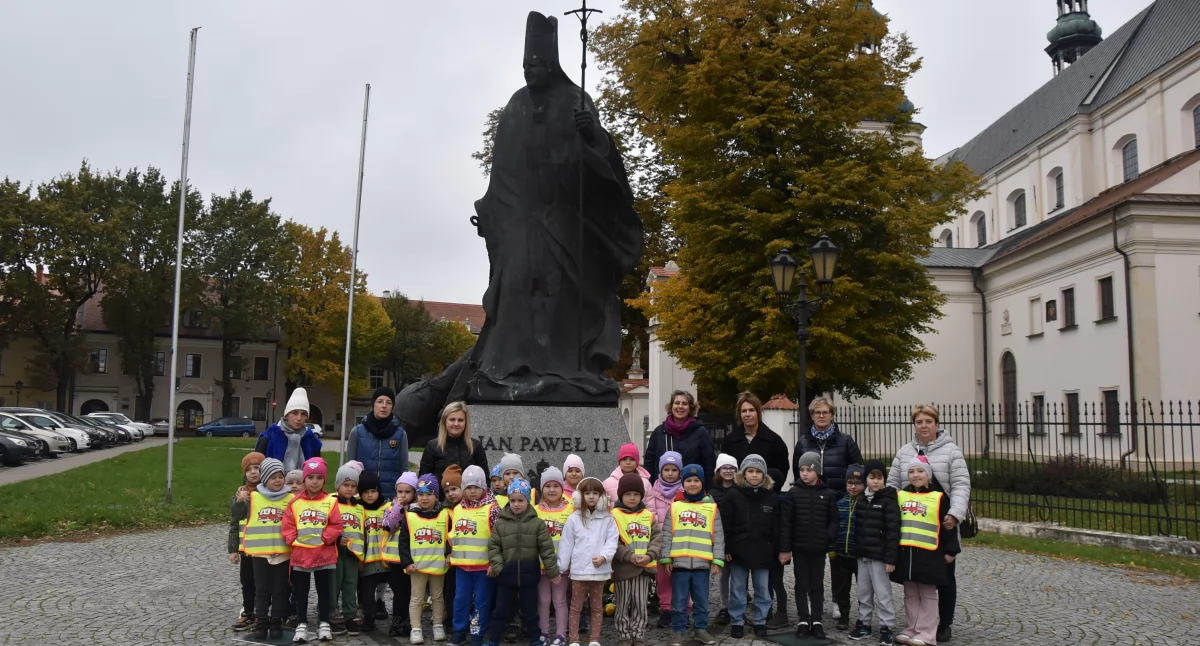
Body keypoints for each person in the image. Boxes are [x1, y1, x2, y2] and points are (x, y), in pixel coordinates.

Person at [887, 404, 971, 644]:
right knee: (912, 579)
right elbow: (893, 482)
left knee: (944, 576)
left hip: (941, 523)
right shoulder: (904, 452)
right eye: (919, 422)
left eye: (928, 421)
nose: (923, 426)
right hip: (911, 526)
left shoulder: (951, 451)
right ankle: (915, 625)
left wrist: (954, 514)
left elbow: (962, 484)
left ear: (936, 423)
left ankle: (943, 624)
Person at [891, 460, 960, 646]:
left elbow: (948, 526)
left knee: (928, 594)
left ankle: (927, 632)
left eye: (920, 471)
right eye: (911, 471)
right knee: (910, 593)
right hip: (906, 553)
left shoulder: (939, 497)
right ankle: (911, 628)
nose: (915, 475)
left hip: (929, 554)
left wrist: (951, 550)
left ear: (928, 474)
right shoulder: (901, 495)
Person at [488, 478, 561, 646]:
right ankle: (493, 640)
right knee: (500, 610)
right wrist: (499, 566)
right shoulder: (501, 523)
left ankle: (535, 639)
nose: (516, 504)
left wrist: (552, 571)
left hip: (529, 576)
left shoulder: (537, 524)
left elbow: (546, 549)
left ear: (527, 501)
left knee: (530, 611)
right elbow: (494, 546)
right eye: (512, 500)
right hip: (506, 576)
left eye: (520, 500)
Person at [281, 457, 344, 643]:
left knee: (324, 591)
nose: (314, 482)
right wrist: (292, 539)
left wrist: (326, 538)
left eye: (318, 478)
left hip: (323, 555)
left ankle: (324, 622)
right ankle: (302, 623)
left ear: (324, 480)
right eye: (310, 478)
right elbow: (288, 524)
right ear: (304, 480)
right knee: (301, 591)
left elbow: (336, 524)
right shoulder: (295, 503)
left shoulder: (331, 502)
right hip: (301, 556)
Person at [659, 464, 724, 646]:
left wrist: (717, 560)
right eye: (688, 480)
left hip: (702, 564)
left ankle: (700, 629)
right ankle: (678, 631)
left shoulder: (712, 508)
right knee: (679, 603)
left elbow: (718, 536)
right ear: (683, 483)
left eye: (696, 480)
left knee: (701, 601)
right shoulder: (675, 507)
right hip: (679, 564)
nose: (692, 484)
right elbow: (667, 534)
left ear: (702, 483)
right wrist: (666, 557)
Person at [779, 451, 838, 641]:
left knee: (817, 584)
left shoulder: (828, 494)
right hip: (800, 547)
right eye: (802, 470)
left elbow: (834, 520)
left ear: (817, 471)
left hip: (819, 548)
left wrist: (827, 537)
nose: (804, 473)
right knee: (801, 584)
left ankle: (817, 620)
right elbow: (786, 522)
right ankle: (803, 620)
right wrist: (786, 548)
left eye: (809, 470)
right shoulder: (794, 493)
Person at [391, 474, 452, 645]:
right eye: (421, 494)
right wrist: (407, 562)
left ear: (436, 496)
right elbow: (403, 543)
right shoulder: (409, 516)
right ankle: (416, 627)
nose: (425, 498)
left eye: (429, 494)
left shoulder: (444, 515)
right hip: (417, 566)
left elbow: (450, 538)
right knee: (416, 598)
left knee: (437, 597)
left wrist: (449, 553)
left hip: (438, 566)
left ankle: (438, 624)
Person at [557, 477, 618, 646]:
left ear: (602, 496)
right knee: (576, 606)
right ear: (579, 496)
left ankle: (595, 639)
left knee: (597, 607)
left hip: (599, 570)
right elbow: (566, 543)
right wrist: (562, 566)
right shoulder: (573, 518)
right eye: (587, 493)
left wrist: (604, 556)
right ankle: (574, 640)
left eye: (595, 493)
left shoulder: (608, 519)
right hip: (579, 571)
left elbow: (612, 540)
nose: (591, 496)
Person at [722, 455, 778, 640]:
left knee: (762, 588)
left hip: (763, 550)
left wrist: (779, 548)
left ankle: (760, 621)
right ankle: (737, 620)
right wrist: (727, 548)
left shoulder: (771, 497)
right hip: (739, 550)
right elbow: (726, 524)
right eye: (750, 471)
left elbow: (777, 527)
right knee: (738, 588)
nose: (754, 475)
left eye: (758, 472)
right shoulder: (733, 494)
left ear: (764, 475)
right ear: (744, 474)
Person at [449, 465, 502, 646]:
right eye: (468, 487)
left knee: (481, 603)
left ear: (484, 488)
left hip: (483, 567)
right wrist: (451, 553)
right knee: (461, 600)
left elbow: (498, 539)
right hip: (462, 566)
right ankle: (459, 631)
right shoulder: (457, 509)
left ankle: (477, 634)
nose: (472, 491)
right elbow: (454, 535)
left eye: (476, 487)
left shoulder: (492, 509)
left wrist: (494, 563)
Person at [242, 458, 294, 640]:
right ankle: (261, 621)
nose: (278, 480)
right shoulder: (254, 497)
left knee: (279, 590)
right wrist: (238, 501)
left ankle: (276, 621)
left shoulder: (291, 499)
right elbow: (237, 514)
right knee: (262, 589)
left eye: (281, 476)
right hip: (260, 552)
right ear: (264, 479)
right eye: (273, 477)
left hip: (283, 553)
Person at [851, 460, 900, 645]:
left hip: (880, 557)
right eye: (872, 477)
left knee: (883, 593)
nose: (876, 481)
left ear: (884, 480)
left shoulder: (888, 501)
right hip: (863, 555)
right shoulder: (862, 499)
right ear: (866, 479)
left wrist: (890, 558)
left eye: (879, 478)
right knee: (863, 592)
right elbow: (858, 527)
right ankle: (864, 623)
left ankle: (886, 626)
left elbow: (893, 531)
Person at [610, 473, 662, 646]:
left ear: (641, 495)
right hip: (623, 568)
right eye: (628, 494)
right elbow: (612, 542)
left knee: (640, 604)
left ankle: (638, 634)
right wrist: (629, 556)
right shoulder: (614, 515)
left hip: (643, 569)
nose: (632, 498)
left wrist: (650, 555)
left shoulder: (648, 515)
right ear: (620, 495)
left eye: (636, 494)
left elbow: (657, 539)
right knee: (623, 603)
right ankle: (624, 635)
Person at [348, 386, 410, 501]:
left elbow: (404, 469)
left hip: (390, 498)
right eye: (380, 401)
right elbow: (349, 469)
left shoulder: (400, 434)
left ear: (392, 406)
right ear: (373, 404)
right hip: (363, 497)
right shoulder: (357, 432)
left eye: (389, 402)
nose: (384, 406)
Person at [644, 450, 684, 628]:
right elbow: (651, 517)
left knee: (683, 578)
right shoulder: (653, 492)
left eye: (674, 470)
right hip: (662, 545)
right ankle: (666, 609)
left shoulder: (685, 492)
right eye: (666, 469)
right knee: (664, 579)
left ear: (679, 472)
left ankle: (684, 609)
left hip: (682, 545)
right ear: (660, 471)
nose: (670, 473)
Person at [792, 396, 862, 495]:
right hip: (810, 498)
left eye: (825, 412)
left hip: (839, 497)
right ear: (812, 416)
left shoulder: (846, 441)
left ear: (832, 415)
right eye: (817, 412)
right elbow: (797, 472)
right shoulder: (802, 442)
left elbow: (857, 469)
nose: (821, 416)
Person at [535, 467, 574, 641]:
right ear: (542, 488)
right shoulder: (535, 511)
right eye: (548, 486)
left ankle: (561, 634)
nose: (552, 490)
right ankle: (543, 632)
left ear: (562, 488)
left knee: (560, 601)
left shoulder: (571, 510)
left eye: (556, 486)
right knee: (543, 600)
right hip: (541, 564)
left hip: (562, 566)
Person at [644, 390, 716, 485]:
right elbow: (649, 463)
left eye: (684, 404)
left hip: (691, 491)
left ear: (690, 408)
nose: (680, 407)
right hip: (662, 491)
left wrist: (706, 491)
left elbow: (709, 465)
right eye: (677, 403)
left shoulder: (701, 433)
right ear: (671, 406)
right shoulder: (659, 432)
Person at [419, 402, 490, 494]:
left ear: (466, 422)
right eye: (452, 419)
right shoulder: (432, 446)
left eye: (460, 420)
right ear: (445, 421)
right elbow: (424, 480)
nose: (456, 424)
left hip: (470, 504)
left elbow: (485, 479)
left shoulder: (475, 446)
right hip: (440, 504)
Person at [721, 392, 791, 486]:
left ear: (758, 412)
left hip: (765, 496)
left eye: (751, 410)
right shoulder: (730, 441)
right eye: (744, 411)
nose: (747, 414)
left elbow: (781, 472)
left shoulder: (774, 441)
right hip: (737, 495)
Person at [229, 452, 265, 632]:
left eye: (257, 468)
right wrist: (233, 549)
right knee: (247, 581)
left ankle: (262, 613)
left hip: (265, 546)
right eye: (249, 470)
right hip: (247, 548)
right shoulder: (241, 492)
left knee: (263, 582)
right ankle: (248, 611)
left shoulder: (269, 491)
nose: (253, 472)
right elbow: (235, 522)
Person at [383, 472, 421, 637]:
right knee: (398, 591)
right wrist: (398, 508)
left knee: (408, 591)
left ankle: (407, 621)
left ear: (414, 493)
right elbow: (388, 525)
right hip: (394, 558)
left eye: (407, 492)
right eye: (400, 492)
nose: (403, 495)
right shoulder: (391, 507)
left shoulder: (418, 509)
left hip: (410, 558)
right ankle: (397, 620)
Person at [255, 388, 322, 473]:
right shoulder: (270, 436)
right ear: (287, 415)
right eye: (294, 413)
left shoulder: (311, 439)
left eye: (303, 414)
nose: (299, 418)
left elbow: (317, 470)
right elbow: (254, 466)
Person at [330, 465, 364, 636]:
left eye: (353, 486)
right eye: (346, 485)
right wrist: (336, 540)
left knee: (350, 586)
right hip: (335, 553)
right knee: (333, 585)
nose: (350, 489)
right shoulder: (331, 502)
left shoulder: (359, 507)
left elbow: (362, 532)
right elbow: (324, 525)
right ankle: (331, 616)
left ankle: (349, 616)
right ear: (338, 485)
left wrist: (361, 557)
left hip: (353, 554)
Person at [832, 464, 866, 631]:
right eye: (850, 482)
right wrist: (832, 549)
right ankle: (844, 615)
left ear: (864, 485)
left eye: (857, 483)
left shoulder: (866, 505)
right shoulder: (839, 504)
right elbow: (833, 528)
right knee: (842, 588)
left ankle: (863, 616)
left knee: (864, 589)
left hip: (859, 555)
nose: (853, 486)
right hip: (841, 554)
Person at [357, 472, 390, 634]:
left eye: (373, 491)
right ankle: (368, 618)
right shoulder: (359, 509)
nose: (369, 495)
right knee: (367, 592)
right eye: (365, 492)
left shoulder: (388, 507)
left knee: (396, 588)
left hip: (387, 558)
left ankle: (400, 618)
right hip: (368, 558)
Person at [708, 453, 738, 625]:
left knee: (739, 577)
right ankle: (725, 606)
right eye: (724, 468)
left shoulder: (741, 490)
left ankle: (737, 606)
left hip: (738, 541)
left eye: (731, 468)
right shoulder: (712, 493)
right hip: (720, 542)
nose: (728, 471)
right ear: (718, 471)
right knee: (724, 576)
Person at [441, 465, 464, 631]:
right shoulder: (443, 511)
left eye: (454, 489)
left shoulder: (468, 508)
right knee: (450, 590)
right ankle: (450, 618)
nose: (451, 494)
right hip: (450, 558)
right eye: (447, 491)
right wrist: (448, 553)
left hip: (467, 556)